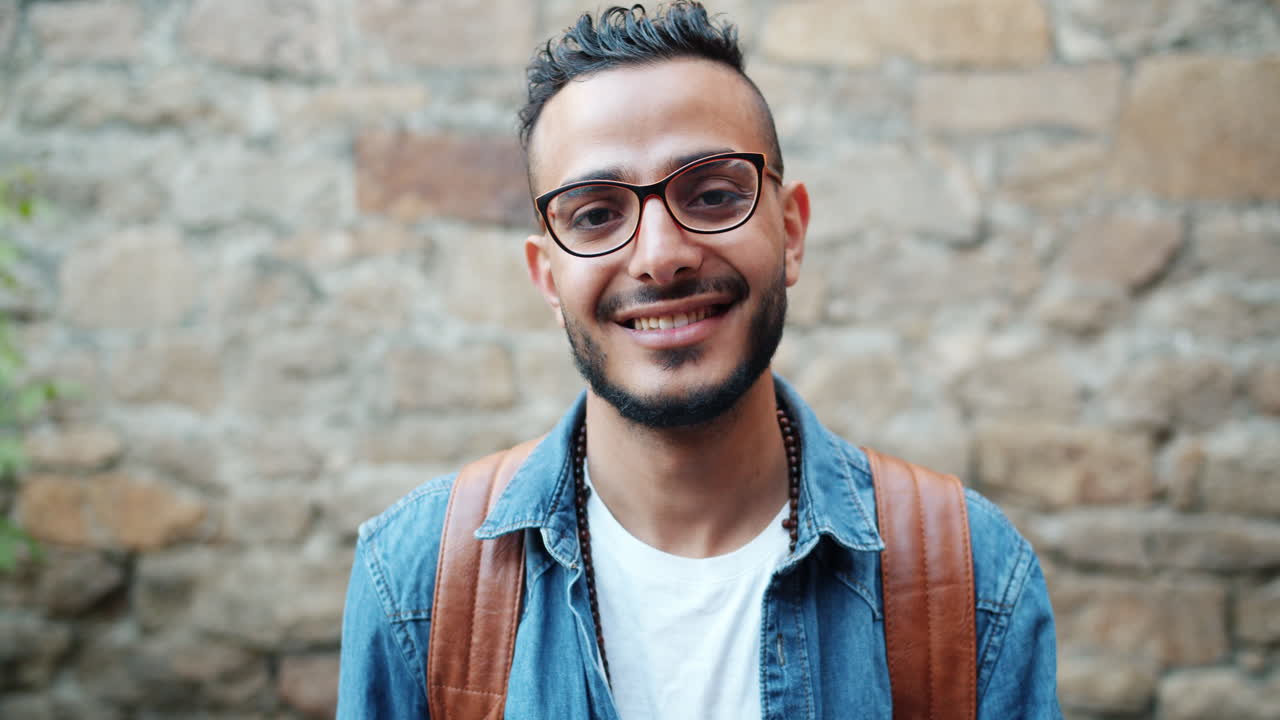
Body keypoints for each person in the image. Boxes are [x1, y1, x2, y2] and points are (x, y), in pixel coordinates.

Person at [338, 3, 1062, 718]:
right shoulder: (417, 584)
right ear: (547, 276)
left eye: (714, 195)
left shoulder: (970, 579)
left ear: (792, 232)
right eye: (595, 214)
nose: (660, 257)